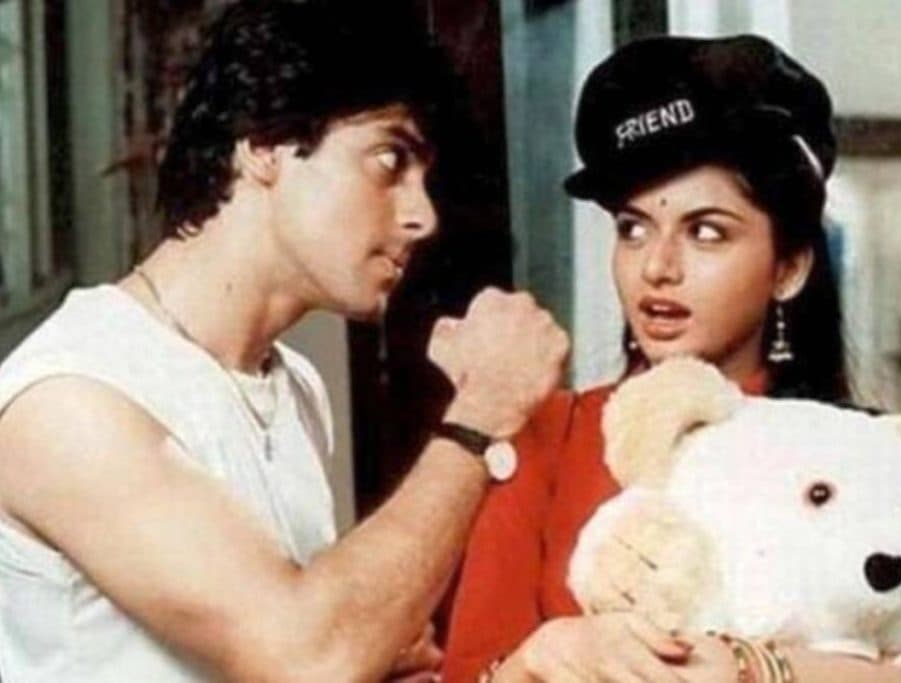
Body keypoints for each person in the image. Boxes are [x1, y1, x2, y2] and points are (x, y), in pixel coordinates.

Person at [0, 2, 568, 682]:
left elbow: (300, 651)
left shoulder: (292, 385)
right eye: (390, 159)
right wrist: (480, 411)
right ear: (264, 146)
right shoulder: (72, 397)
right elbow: (305, 653)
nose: (423, 216)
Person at [442, 35, 901, 682]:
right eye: (634, 228)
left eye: (706, 231)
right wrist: (542, 654)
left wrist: (757, 668)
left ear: (789, 267)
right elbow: (471, 669)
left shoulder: (865, 451)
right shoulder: (547, 435)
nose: (657, 266)